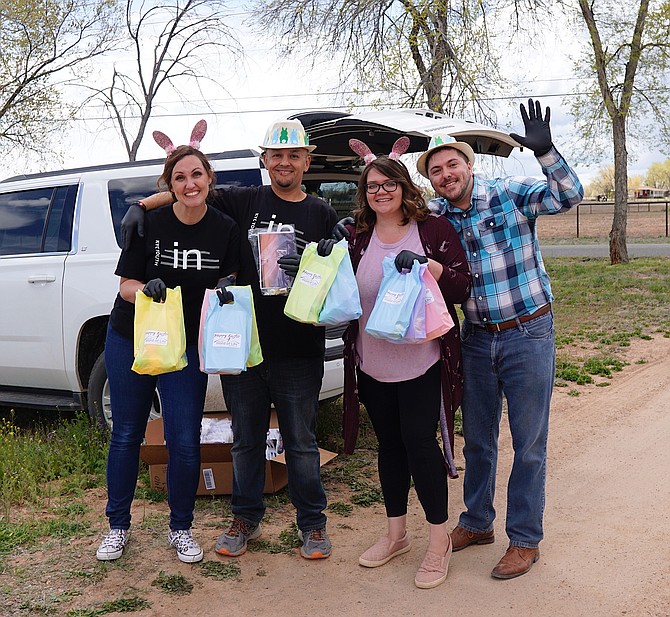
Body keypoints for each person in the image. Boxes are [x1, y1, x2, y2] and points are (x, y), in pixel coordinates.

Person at [120, 118, 338, 560]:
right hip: (242, 345)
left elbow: (334, 278)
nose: (284, 163)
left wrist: (343, 243)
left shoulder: (321, 213)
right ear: (265, 160)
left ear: (306, 161)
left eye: (293, 155)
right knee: (245, 440)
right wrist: (142, 205)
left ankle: (312, 524)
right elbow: (188, 188)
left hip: (298, 348)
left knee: (300, 442)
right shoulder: (246, 199)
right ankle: (245, 518)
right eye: (276, 156)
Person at [417, 99, 584, 579]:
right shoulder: (437, 214)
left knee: (529, 441)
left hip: (528, 332)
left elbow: (568, 196)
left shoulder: (509, 193)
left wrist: (547, 152)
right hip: (476, 337)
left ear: (469, 164)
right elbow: (387, 213)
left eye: (453, 164)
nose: (447, 174)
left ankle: (525, 539)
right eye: (437, 170)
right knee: (480, 441)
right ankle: (477, 521)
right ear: (431, 178)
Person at [97, 121, 240, 564]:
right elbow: (124, 286)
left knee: (183, 439)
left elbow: (229, 277)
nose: (189, 183)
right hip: (133, 338)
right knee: (126, 434)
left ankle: (181, 528)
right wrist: (145, 289)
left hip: (186, 345)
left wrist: (229, 288)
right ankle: (117, 527)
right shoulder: (150, 223)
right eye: (179, 177)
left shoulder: (224, 227)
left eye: (196, 174)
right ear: (169, 184)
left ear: (208, 180)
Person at [332, 138, 471, 589]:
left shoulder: (431, 230)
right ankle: (396, 535)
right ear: (364, 192)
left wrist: (428, 265)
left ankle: (437, 541)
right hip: (372, 364)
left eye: (389, 183)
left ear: (403, 186)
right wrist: (322, 256)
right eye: (372, 185)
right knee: (389, 446)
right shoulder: (357, 237)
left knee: (419, 443)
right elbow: (342, 294)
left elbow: (461, 286)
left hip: (421, 363)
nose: (381, 191)